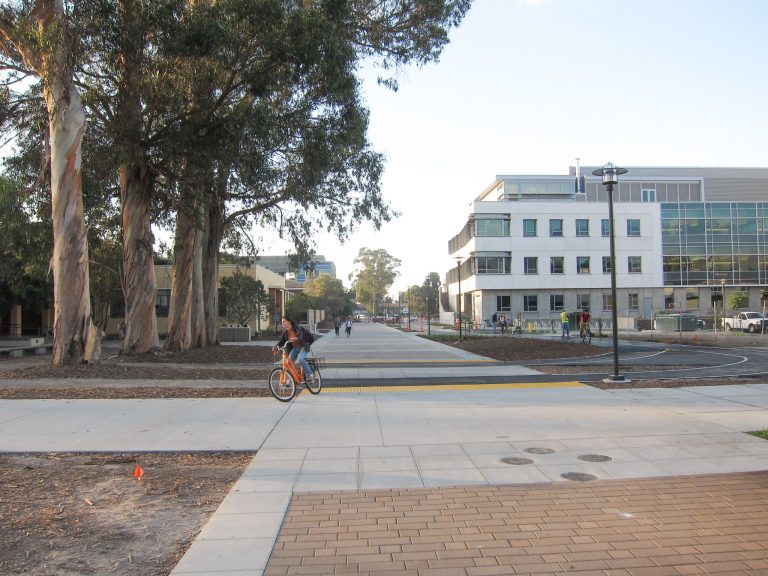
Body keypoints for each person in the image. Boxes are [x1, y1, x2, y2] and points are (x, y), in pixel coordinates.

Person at [273, 315, 314, 384]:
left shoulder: (296, 327)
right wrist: (276, 347)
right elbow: (281, 342)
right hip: (295, 348)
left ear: (289, 322)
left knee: (301, 359)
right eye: (282, 322)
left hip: (303, 346)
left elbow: (300, 334)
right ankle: (294, 378)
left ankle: (310, 375)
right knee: (289, 362)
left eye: (284, 322)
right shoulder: (286, 333)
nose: (282, 323)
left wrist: (297, 337)